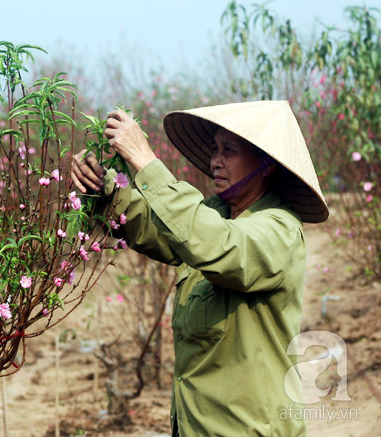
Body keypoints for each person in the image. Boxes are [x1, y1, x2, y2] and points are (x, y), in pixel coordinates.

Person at [71, 101, 328, 436]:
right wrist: (105, 191)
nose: (216, 160)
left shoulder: (280, 230)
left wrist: (147, 163)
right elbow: (159, 230)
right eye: (214, 149)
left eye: (229, 150)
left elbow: (215, 243)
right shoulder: (217, 213)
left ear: (266, 165)